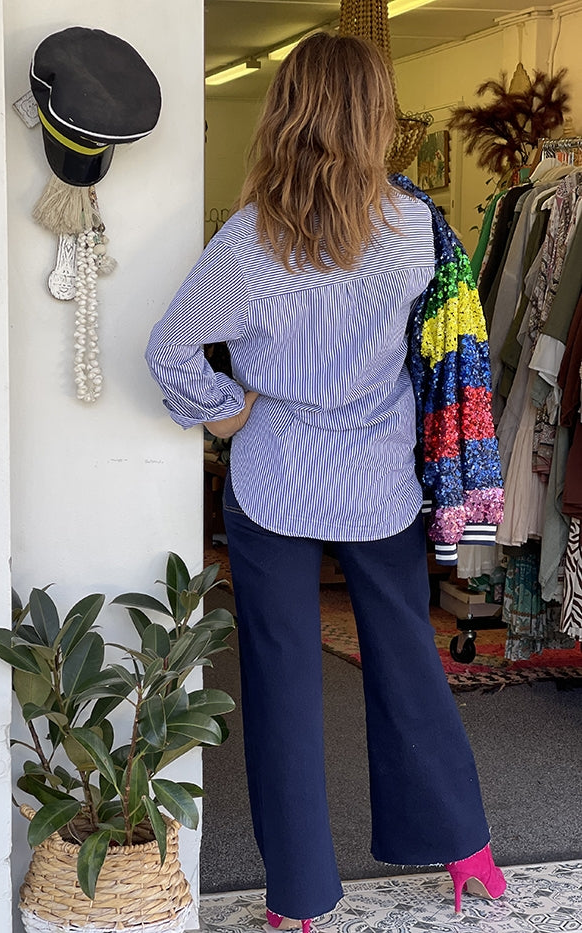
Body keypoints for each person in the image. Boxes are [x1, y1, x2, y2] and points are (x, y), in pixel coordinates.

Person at [146, 33, 506, 930]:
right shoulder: (416, 229)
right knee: (407, 657)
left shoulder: (246, 244)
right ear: (376, 118)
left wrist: (227, 408)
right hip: (379, 477)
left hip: (274, 479)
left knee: (280, 681)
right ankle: (468, 849)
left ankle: (298, 900)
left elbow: (167, 352)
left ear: (284, 114)